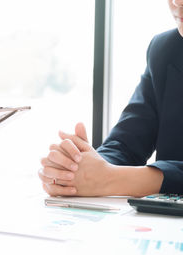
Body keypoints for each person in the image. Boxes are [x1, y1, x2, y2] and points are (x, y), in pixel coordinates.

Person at [39, 0, 183, 197]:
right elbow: (126, 143)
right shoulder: (165, 50)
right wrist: (76, 169)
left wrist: (112, 179)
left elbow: (110, 176)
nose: (177, 2)